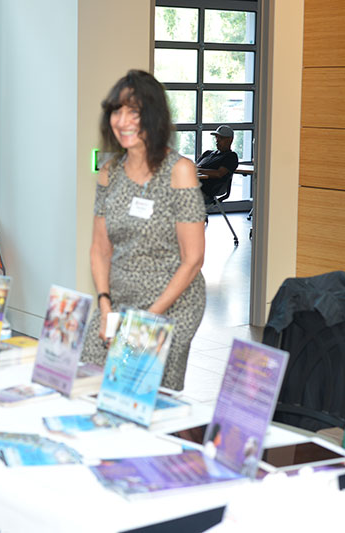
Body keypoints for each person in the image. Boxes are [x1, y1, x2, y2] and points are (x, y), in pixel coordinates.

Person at [79, 69, 206, 391]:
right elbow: (100, 249)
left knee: (142, 396)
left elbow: (193, 259)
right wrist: (105, 305)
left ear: (153, 116)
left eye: (133, 112)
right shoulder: (109, 173)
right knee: (89, 380)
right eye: (116, 111)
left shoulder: (180, 171)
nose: (122, 121)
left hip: (171, 303)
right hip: (120, 299)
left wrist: (146, 321)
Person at [196, 125, 239, 200]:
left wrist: (198, 170)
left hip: (205, 190)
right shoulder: (207, 153)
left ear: (230, 140)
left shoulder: (231, 156)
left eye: (221, 138)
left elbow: (219, 173)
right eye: (216, 137)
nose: (217, 140)